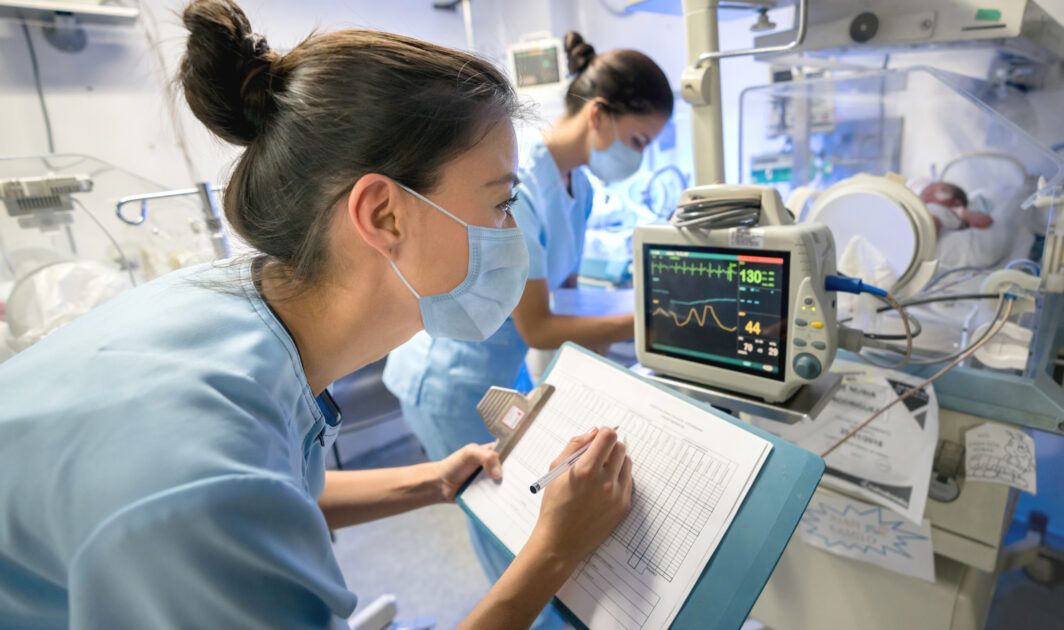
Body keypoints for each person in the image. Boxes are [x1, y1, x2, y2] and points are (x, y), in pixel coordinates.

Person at [0, 2, 633, 628]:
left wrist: (429, 482)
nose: (511, 231)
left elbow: (272, 491)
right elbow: (221, 491)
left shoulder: (241, 310)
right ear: (384, 215)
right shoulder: (193, 468)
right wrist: (554, 552)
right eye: (501, 203)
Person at [382, 30, 672, 608]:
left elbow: (560, 303)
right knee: (506, 528)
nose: (637, 157)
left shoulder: (579, 188)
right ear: (600, 115)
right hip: (451, 374)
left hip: (501, 367)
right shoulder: (524, 181)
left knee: (532, 500)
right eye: (638, 140)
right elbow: (539, 326)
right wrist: (650, 327)